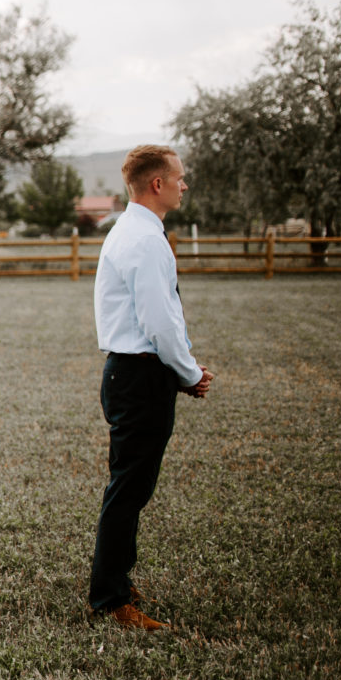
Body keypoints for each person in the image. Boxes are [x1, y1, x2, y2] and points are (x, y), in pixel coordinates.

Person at [88, 145, 213, 630]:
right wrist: (190, 373)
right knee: (128, 489)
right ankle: (111, 598)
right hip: (139, 376)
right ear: (156, 184)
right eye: (179, 178)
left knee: (131, 487)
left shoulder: (136, 231)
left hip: (134, 373)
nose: (184, 185)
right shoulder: (142, 240)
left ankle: (117, 577)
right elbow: (159, 322)